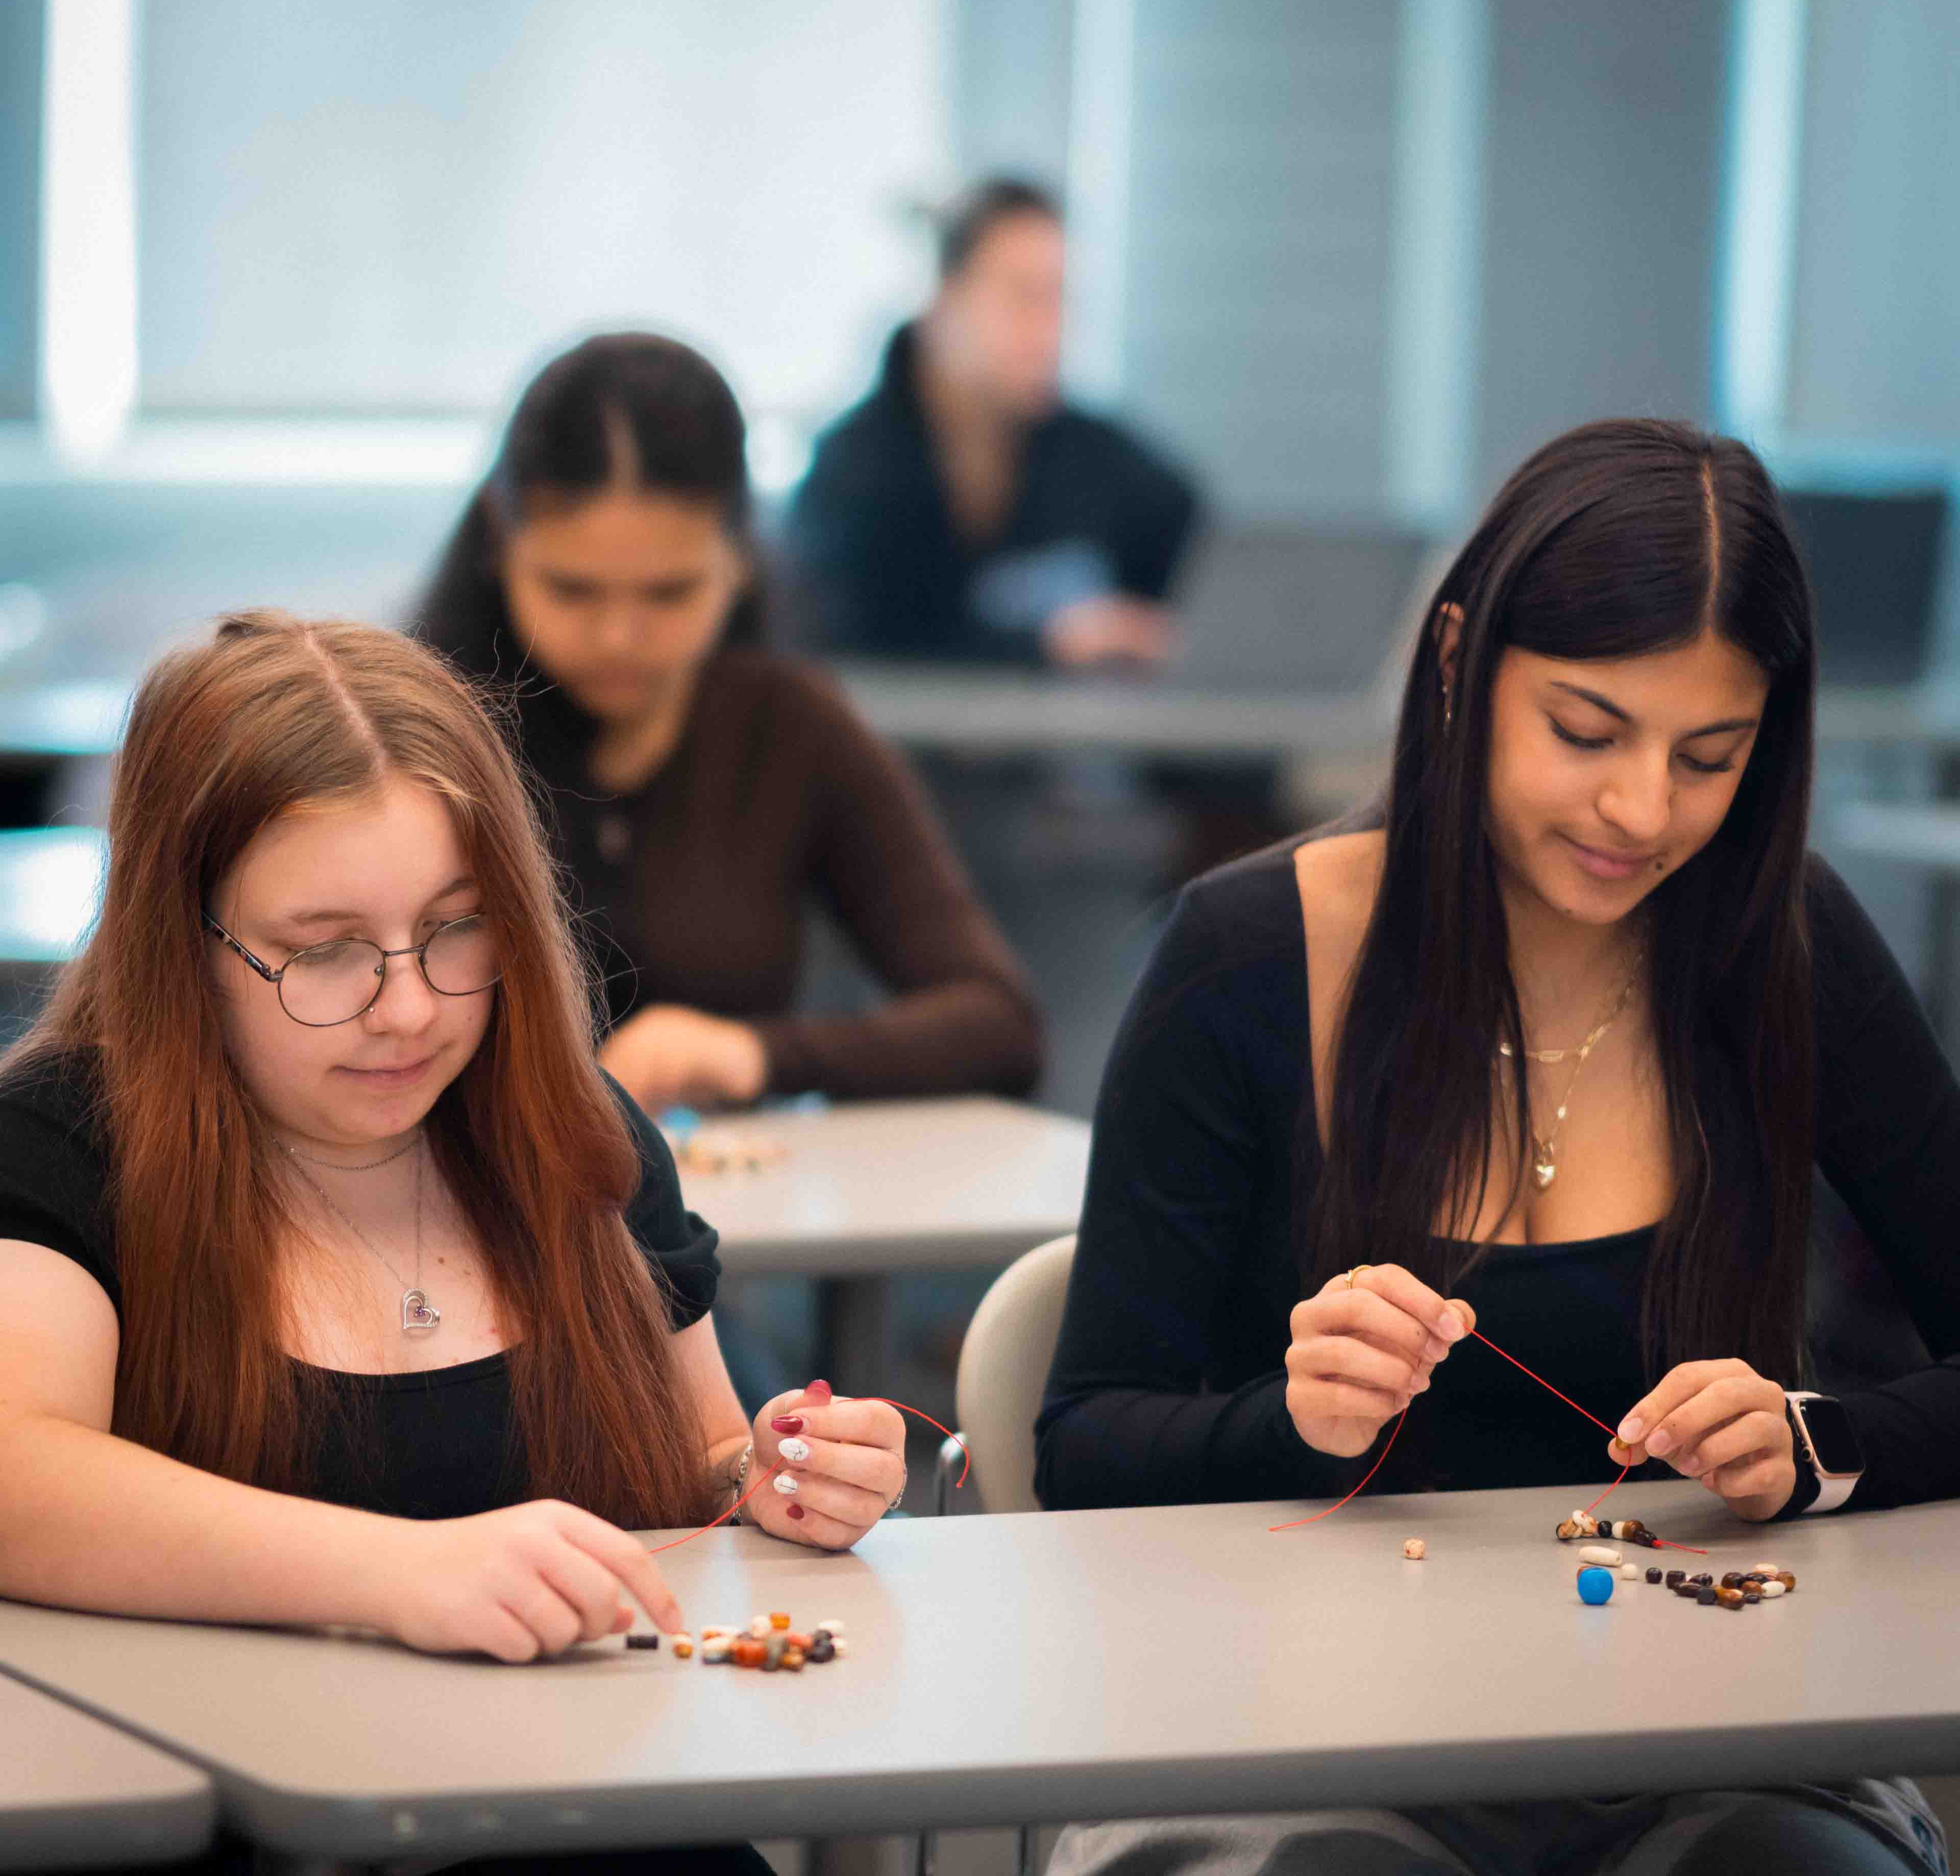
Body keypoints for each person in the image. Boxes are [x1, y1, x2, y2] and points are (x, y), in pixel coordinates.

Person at [1036, 421, 1957, 1875]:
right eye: (1586, 734)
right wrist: (1296, 1423)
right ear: (1458, 664)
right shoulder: (1250, 954)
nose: (1641, 811)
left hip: (1700, 1734)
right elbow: (1083, 1447)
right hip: (1289, 1730)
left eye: (1710, 758)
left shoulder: (1783, 946)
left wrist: (1820, 1444)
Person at [0, 612, 909, 1876]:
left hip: (583, 1817)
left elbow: (700, 1457)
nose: (410, 1005)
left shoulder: (569, 1130)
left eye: (455, 926)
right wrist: (397, 1574)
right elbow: (18, 1479)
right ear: (182, 942)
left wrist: (778, 1479)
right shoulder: (61, 1142)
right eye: (322, 952)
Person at [413, 331, 1043, 1112]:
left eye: (669, 593)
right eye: (572, 591)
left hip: (724, 1213)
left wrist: (756, 1053)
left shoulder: (790, 725)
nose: (620, 636)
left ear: (739, 558)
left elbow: (997, 1023)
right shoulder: (416, 732)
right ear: (498, 542)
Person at [786, 177, 1200, 669]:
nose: (1050, 327)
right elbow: (859, 654)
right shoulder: (852, 478)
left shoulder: (1094, 456)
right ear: (946, 299)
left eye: (1059, 299)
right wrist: (1045, 646)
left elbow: (1191, 539)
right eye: (1023, 296)